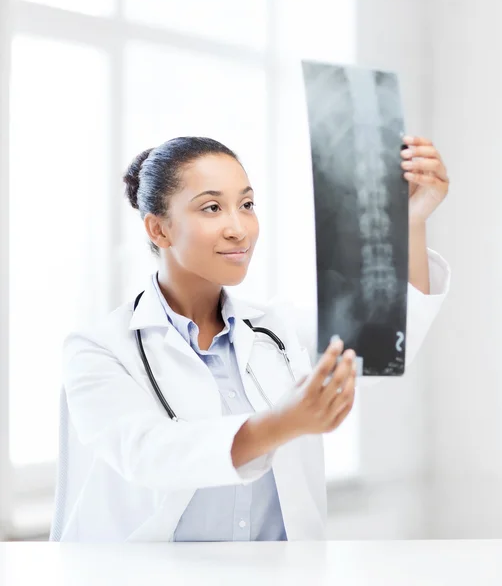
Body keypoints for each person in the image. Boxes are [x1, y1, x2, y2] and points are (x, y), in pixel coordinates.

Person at [51, 135, 450, 542]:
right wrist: (282, 423)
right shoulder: (98, 349)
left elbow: (385, 339)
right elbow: (149, 453)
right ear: (158, 228)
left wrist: (412, 220)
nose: (239, 229)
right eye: (212, 208)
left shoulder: (277, 331)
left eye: (246, 205)